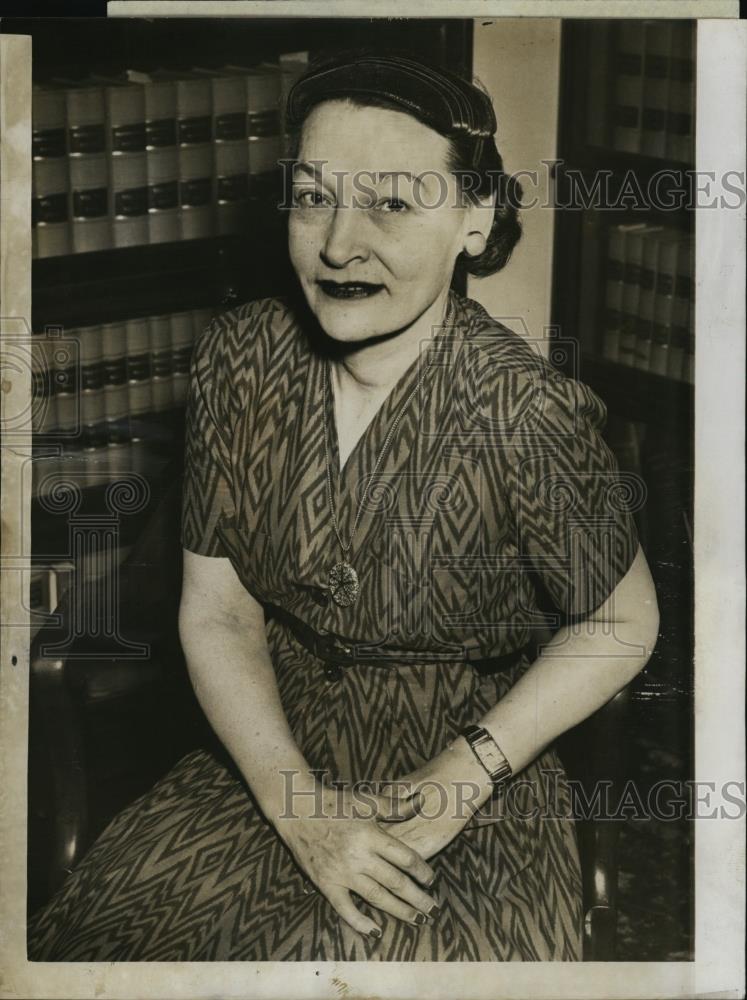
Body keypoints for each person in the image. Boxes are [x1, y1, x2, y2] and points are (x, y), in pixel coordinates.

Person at [27, 51, 659, 963]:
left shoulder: (526, 412)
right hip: (267, 743)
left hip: (462, 761)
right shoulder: (239, 360)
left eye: (393, 204)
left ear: (473, 220)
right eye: (314, 195)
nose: (336, 244)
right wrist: (301, 809)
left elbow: (623, 620)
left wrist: (467, 773)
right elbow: (218, 614)